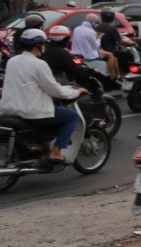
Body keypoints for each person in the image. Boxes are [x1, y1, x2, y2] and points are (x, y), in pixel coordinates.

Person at [0, 29, 88, 162]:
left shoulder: (12, 61)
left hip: (9, 108)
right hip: (31, 111)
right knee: (71, 117)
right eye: (43, 44)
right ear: (37, 45)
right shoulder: (39, 64)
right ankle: (56, 152)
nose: (44, 46)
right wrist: (76, 92)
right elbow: (54, 89)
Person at [71, 14, 118, 78]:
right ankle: (112, 76)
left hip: (76, 53)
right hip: (89, 55)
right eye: (97, 23)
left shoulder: (77, 29)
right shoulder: (91, 32)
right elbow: (95, 46)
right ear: (93, 23)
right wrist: (99, 38)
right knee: (111, 55)